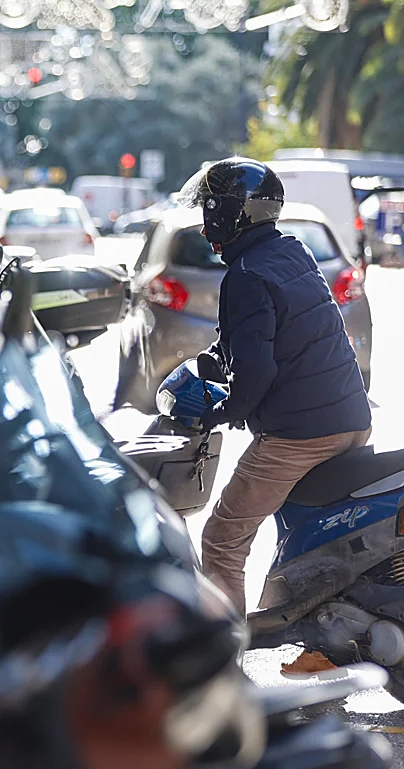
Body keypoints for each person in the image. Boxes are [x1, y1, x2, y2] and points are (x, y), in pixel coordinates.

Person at [181, 157, 372, 676]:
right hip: (349, 416)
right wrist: (223, 355)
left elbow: (258, 372)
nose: (204, 224)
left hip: (300, 434)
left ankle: (222, 669)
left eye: (210, 211)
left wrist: (219, 412)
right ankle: (330, 647)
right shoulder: (290, 250)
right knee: (317, 532)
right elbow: (278, 333)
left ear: (231, 214)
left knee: (221, 539)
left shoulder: (244, 274)